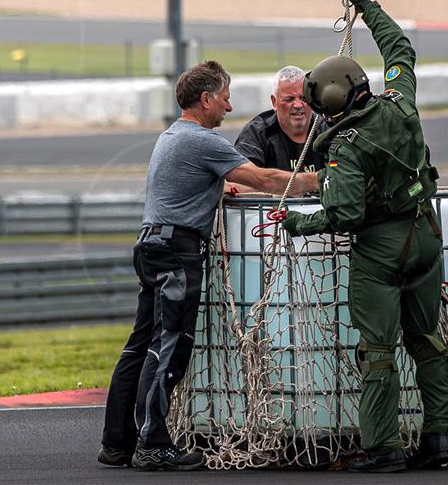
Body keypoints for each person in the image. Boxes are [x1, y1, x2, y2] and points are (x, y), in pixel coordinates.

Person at [98, 60, 318, 471]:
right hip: (177, 252)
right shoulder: (202, 140)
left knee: (140, 344)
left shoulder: (172, 135)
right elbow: (266, 181)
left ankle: (117, 443)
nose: (228, 109)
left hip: (152, 245)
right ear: (206, 99)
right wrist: (318, 180)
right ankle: (152, 443)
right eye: (225, 98)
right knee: (169, 346)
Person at [281, 0, 448, 473]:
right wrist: (367, 4)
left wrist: (296, 223)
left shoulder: (344, 149)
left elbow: (345, 216)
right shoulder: (402, 106)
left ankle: (383, 448)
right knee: (427, 339)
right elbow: (399, 48)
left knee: (378, 351)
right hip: (426, 235)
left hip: (381, 250)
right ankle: (439, 437)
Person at [234, 65, 327, 172]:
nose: (297, 105)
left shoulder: (327, 130)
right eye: (289, 99)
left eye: (303, 98)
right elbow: (242, 179)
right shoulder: (256, 134)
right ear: (274, 102)